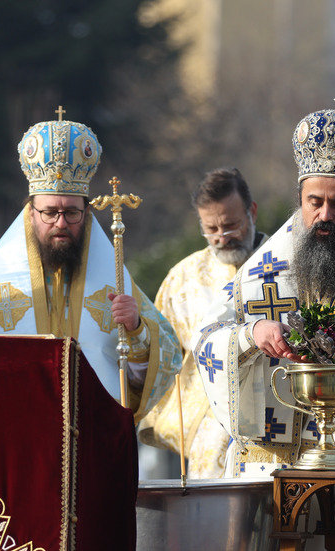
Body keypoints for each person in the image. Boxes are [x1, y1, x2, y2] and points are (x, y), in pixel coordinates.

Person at [192, 103, 335, 477]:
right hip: (265, 463)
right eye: (315, 202)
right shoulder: (258, 276)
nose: (325, 215)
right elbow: (206, 341)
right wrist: (252, 333)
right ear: (300, 202)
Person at [0, 113, 181, 422]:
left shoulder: (114, 282)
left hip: (94, 435)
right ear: (30, 213)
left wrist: (136, 329)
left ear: (86, 213)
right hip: (18, 433)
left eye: (72, 212)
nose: (61, 223)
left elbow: (156, 371)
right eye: (50, 212)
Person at [139, 168, 267, 478]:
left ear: (251, 212)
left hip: (277, 422)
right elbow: (162, 352)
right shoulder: (183, 278)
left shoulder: (285, 265)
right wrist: (136, 329)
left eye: (231, 225)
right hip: (209, 439)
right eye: (211, 228)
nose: (222, 237)